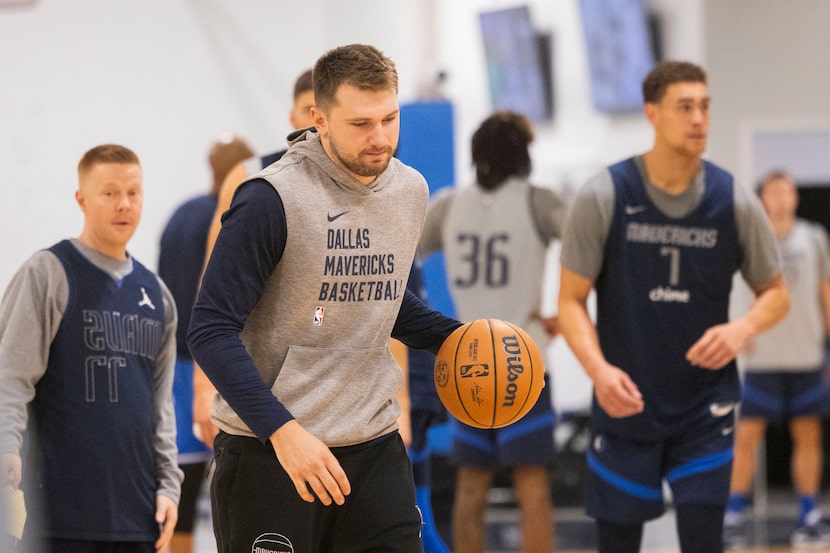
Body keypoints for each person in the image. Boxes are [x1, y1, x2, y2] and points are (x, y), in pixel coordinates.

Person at [186, 44, 462, 553]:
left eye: (389, 119)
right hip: (272, 452)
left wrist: (456, 338)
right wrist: (282, 432)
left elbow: (382, 298)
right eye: (361, 124)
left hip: (373, 445)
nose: (380, 139)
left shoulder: (410, 191)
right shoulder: (269, 197)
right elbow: (209, 329)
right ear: (319, 118)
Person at [557, 61, 790, 553]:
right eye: (684, 107)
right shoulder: (605, 195)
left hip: (705, 409)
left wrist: (741, 329)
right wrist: (597, 370)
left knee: (703, 541)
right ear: (652, 114)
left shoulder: (734, 200)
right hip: (626, 402)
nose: (699, 118)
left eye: (704, 106)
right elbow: (571, 302)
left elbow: (776, 294)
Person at [0, 144, 182, 553]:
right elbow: (9, 376)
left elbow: (161, 405)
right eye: (110, 193)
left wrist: (169, 486)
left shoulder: (158, 295)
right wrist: (6, 447)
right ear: (81, 199)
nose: (124, 205)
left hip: (138, 514)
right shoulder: (47, 272)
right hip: (57, 514)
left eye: (133, 193)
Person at [418, 110, 564, 553]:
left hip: (471, 359)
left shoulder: (447, 204)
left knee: (470, 489)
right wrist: (566, 312)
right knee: (532, 488)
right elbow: (590, 246)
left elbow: (404, 260)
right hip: (525, 358)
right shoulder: (539, 201)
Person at [192, 70, 314, 448]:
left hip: (340, 398)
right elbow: (211, 294)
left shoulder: (369, 184)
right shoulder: (251, 178)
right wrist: (202, 387)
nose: (315, 120)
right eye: (308, 109)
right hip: (260, 391)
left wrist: (402, 401)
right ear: (292, 117)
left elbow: (385, 299)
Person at [157, 134, 253, 553]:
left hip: (171, 361)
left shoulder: (178, 215)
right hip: (212, 364)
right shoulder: (232, 215)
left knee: (181, 480)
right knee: (235, 482)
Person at [724, 170, 830, 548]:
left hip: (806, 356)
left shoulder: (813, 237)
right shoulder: (751, 236)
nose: (782, 196)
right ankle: (733, 513)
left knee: (808, 434)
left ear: (795, 198)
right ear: (762, 198)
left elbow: (825, 292)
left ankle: (809, 514)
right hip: (762, 358)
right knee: (747, 436)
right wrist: (738, 330)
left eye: (788, 190)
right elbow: (733, 286)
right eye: (774, 190)